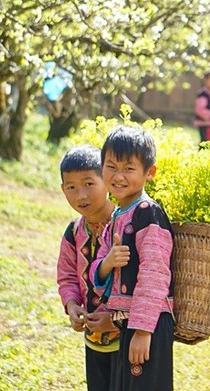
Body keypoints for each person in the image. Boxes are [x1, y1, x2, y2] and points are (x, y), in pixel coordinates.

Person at [89, 126, 175, 391]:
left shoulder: (148, 214)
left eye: (129, 168)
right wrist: (107, 264)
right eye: (111, 166)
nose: (118, 176)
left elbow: (155, 273)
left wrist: (142, 331)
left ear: (150, 172)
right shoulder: (117, 216)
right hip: (127, 322)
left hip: (148, 323)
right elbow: (98, 267)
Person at [56, 145, 120, 391]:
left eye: (89, 184)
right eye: (71, 187)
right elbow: (67, 277)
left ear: (107, 180)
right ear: (63, 190)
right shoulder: (74, 232)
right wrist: (72, 305)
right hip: (93, 339)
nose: (80, 195)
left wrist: (116, 320)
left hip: (130, 340)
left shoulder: (125, 225)